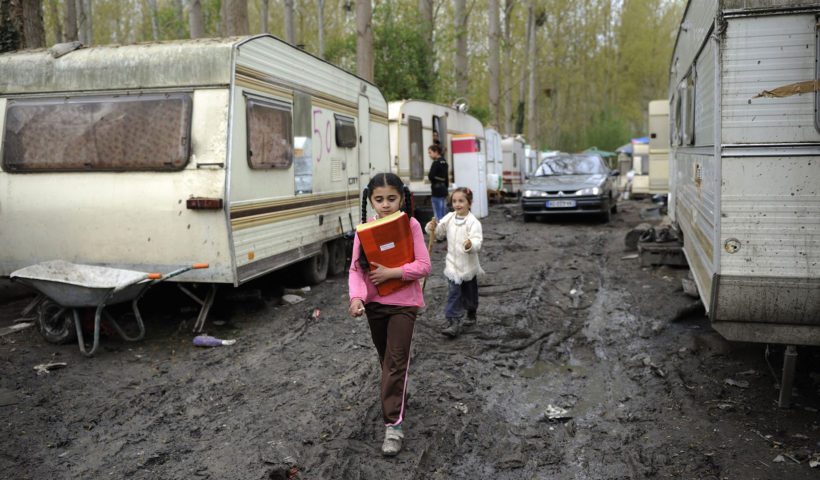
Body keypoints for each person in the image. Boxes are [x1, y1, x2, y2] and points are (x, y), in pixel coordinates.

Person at [348, 172, 432, 456]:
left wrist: (394, 273)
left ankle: (393, 426)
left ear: (402, 198)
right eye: (379, 199)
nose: (385, 204)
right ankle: (396, 395)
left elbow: (424, 265)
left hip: (404, 305)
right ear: (370, 200)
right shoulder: (364, 230)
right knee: (386, 360)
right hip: (375, 306)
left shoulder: (411, 225)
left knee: (396, 363)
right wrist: (357, 297)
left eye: (391, 199)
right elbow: (356, 270)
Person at [425, 187, 484, 337]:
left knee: (470, 292)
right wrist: (432, 227)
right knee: (454, 292)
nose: (457, 204)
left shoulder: (473, 222)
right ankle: (453, 321)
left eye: (461, 201)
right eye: (455, 201)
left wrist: (470, 245)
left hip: (468, 265)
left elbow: (477, 241)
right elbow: (438, 233)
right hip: (452, 264)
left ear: (469, 203)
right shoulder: (450, 217)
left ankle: (471, 312)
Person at [427, 144, 448, 222]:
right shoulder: (444, 162)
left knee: (437, 214)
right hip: (444, 190)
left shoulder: (435, 163)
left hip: (436, 191)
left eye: (430, 152)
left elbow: (430, 176)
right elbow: (446, 179)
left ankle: (439, 233)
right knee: (443, 213)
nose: (429, 155)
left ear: (436, 152)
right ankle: (443, 232)